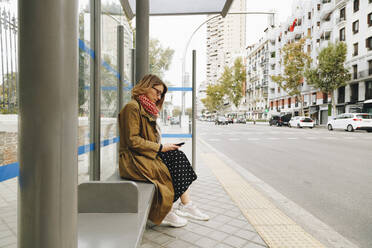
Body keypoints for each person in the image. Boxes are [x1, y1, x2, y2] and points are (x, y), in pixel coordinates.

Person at [118, 74, 209, 227]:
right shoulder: (132, 107)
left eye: (161, 94)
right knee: (170, 166)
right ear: (146, 87)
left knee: (177, 156)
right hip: (132, 160)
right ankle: (168, 210)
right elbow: (132, 140)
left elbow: (146, 140)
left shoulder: (145, 109)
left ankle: (184, 205)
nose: (159, 97)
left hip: (142, 155)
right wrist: (160, 148)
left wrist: (164, 147)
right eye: (157, 92)